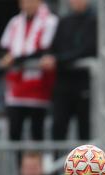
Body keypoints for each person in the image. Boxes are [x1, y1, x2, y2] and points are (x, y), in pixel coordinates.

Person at [0, 0, 58, 142]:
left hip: (39, 86)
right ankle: (19, 164)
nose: (28, 4)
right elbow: (3, 48)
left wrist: (16, 59)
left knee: (36, 132)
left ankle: (37, 164)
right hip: (15, 86)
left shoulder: (51, 21)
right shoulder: (15, 22)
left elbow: (46, 50)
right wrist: (7, 58)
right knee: (14, 131)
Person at [43, 0, 96, 140]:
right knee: (58, 128)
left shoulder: (94, 22)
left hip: (83, 84)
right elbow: (53, 47)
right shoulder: (64, 21)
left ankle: (86, 162)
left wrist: (59, 60)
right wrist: (50, 57)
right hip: (63, 84)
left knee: (84, 130)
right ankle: (59, 161)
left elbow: (88, 49)